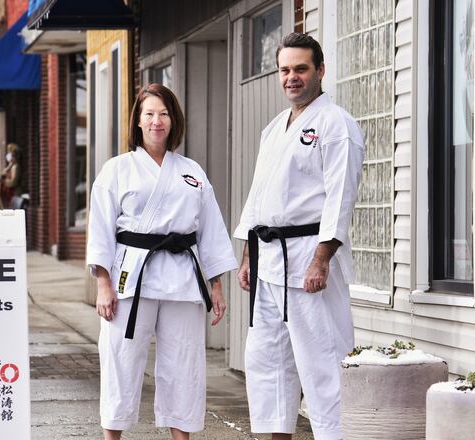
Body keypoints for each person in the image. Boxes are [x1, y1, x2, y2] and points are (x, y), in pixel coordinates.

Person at [86, 83, 238, 440]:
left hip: (182, 277)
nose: (157, 121)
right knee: (121, 361)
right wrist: (103, 284)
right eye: (150, 113)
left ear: (174, 121)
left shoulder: (192, 172)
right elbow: (101, 228)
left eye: (164, 114)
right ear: (138, 121)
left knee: (184, 366)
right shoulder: (117, 169)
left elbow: (211, 230)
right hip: (130, 276)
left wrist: (216, 285)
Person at [234, 33, 365, 440]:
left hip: (309, 255)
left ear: (320, 71)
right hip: (270, 257)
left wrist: (322, 258)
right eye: (285, 70)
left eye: (301, 69)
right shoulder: (274, 129)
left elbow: (341, 195)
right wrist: (247, 255)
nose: (292, 77)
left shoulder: (336, 123)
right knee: (268, 361)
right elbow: (259, 195)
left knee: (322, 360)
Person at [0, 143, 21, 208]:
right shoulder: (11, 166)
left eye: (10, 153)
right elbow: (3, 173)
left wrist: (4, 181)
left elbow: (13, 182)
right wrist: (10, 165)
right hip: (9, 195)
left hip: (14, 194)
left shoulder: (16, 167)